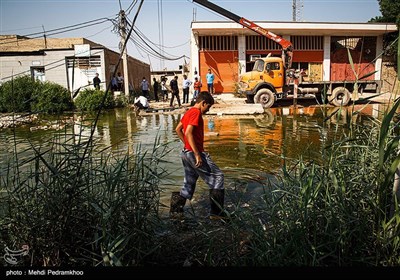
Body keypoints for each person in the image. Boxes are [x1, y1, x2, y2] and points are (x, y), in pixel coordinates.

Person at [170, 91, 225, 220]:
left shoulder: (188, 112)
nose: (208, 110)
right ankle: (216, 214)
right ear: (203, 103)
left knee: (189, 183)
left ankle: (175, 212)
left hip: (186, 154)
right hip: (194, 154)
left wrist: (187, 146)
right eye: (208, 106)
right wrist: (197, 154)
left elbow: (178, 129)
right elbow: (188, 132)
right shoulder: (196, 112)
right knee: (218, 177)